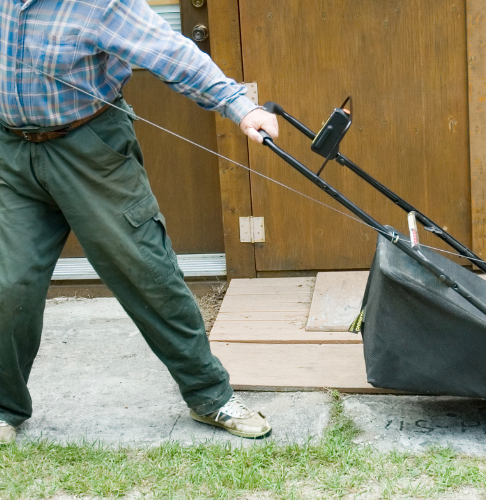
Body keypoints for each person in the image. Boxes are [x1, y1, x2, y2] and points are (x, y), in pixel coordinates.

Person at [0, 0, 279, 445]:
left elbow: (170, 50)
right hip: (11, 154)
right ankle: (4, 408)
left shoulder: (99, 4)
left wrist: (238, 105)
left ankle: (210, 396)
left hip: (90, 148)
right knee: (7, 284)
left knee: (146, 269)